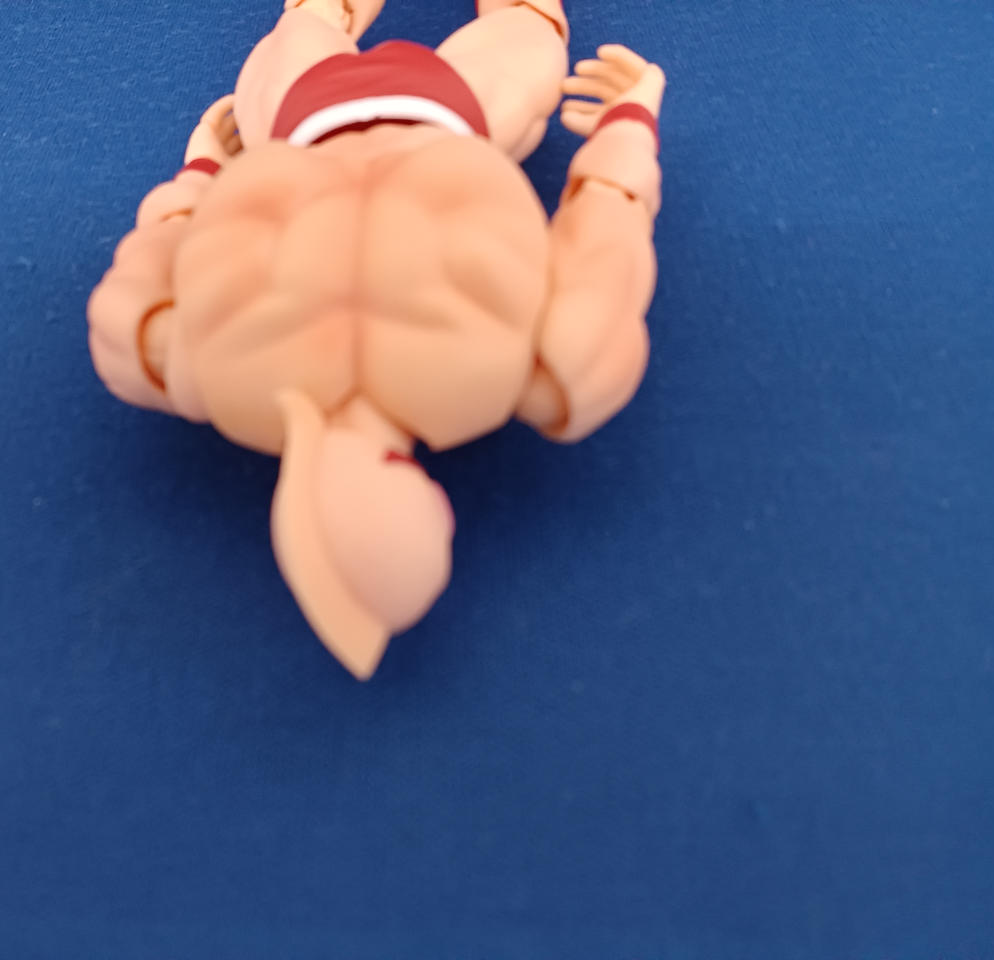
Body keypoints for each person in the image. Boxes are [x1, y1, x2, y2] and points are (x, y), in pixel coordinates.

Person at [88, 0, 667, 679]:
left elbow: (607, 228)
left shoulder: (197, 366)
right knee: (518, 28)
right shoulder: (190, 364)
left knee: (469, 29)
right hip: (394, 113)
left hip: (333, 117)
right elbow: (605, 235)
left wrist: (200, 178)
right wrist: (628, 126)